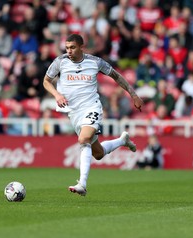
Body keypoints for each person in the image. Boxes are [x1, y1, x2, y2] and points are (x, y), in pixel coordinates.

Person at [43, 34, 144, 196]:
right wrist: (57, 95)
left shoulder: (95, 62)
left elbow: (116, 76)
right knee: (97, 154)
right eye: (67, 47)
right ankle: (122, 140)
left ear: (82, 47)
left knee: (83, 140)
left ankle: (82, 184)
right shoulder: (60, 62)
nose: (69, 51)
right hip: (73, 113)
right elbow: (46, 81)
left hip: (92, 108)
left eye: (72, 47)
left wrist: (133, 95)